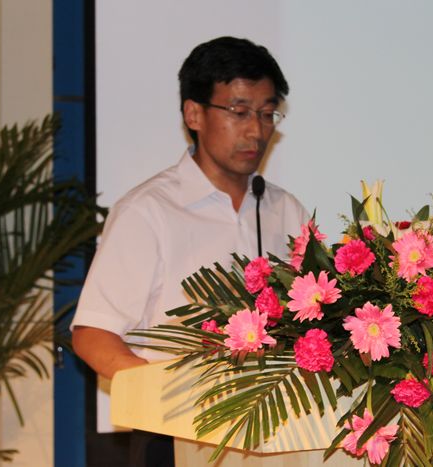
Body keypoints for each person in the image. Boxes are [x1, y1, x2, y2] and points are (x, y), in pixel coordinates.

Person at [70, 36, 309, 465]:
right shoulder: (148, 211)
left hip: (282, 434)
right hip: (175, 437)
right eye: (239, 112)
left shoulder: (285, 211)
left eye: (267, 113)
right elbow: (93, 334)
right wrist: (171, 395)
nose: (256, 130)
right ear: (194, 114)